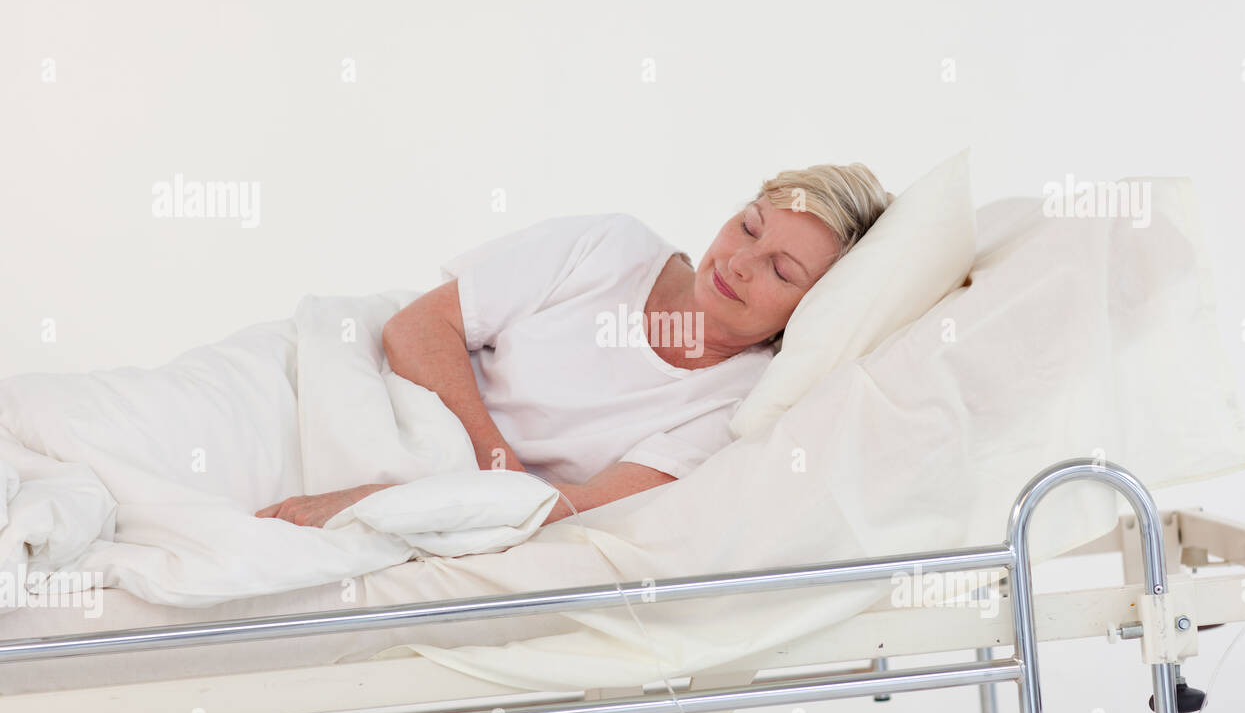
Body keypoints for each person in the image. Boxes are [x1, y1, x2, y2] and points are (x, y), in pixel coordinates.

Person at [255, 163, 893, 530]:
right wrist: (498, 470)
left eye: (781, 270)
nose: (740, 262)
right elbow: (414, 329)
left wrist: (382, 503)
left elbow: (571, 514)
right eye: (749, 226)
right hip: (336, 384)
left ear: (812, 309)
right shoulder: (612, 246)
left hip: (432, 492)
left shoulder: (736, 405)